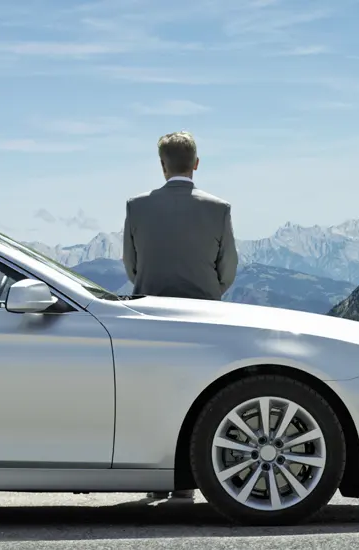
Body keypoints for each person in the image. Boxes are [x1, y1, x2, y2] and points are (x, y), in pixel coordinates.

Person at [122, 130, 239, 501]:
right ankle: (186, 486)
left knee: (150, 395)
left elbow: (131, 265)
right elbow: (229, 268)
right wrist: (210, 294)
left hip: (149, 314)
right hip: (203, 317)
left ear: (161, 165)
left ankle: (154, 480)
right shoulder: (218, 209)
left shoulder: (136, 207)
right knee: (195, 397)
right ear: (196, 164)